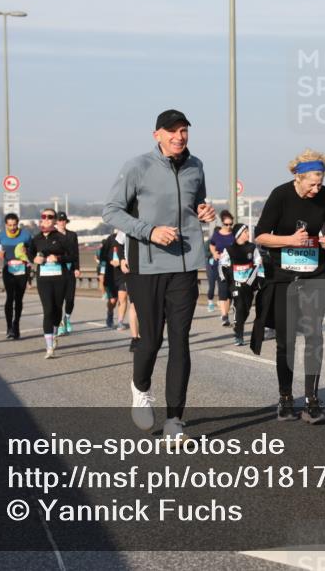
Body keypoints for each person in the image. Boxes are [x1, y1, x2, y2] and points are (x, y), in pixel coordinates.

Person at [103, 108, 215, 443]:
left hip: (184, 265)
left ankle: (175, 419)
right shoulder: (137, 167)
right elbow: (111, 211)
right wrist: (149, 232)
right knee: (150, 340)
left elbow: (198, 203)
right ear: (157, 135)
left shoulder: (196, 166)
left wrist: (204, 211)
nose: (179, 136)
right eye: (171, 131)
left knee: (180, 341)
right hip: (147, 266)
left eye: (184, 130)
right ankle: (140, 388)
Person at [252, 149, 325, 425]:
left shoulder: (324, 195)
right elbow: (261, 236)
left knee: (315, 336)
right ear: (297, 177)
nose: (316, 188)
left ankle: (312, 402)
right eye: (311, 183)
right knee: (286, 340)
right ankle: (285, 398)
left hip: (315, 272)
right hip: (283, 275)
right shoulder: (280, 195)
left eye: (320, 182)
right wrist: (289, 240)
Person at [28, 208, 74, 358]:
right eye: (44, 216)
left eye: (50, 217)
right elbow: (29, 254)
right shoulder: (36, 239)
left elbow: (72, 256)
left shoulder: (62, 238)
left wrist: (58, 258)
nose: (47, 219)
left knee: (56, 309)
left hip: (60, 278)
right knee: (47, 310)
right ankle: (49, 347)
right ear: (41, 219)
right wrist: (34, 259)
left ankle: (54, 333)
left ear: (55, 220)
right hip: (44, 280)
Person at [219, 223, 262, 346]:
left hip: (249, 285)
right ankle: (239, 335)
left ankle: (239, 325)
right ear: (238, 234)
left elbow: (258, 264)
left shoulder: (252, 248)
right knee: (239, 307)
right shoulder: (229, 249)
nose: (248, 234)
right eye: (245, 232)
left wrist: (253, 281)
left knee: (247, 309)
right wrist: (225, 279)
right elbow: (221, 265)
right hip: (235, 284)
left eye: (248, 231)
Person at [0, 212, 32, 340]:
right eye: (9, 225)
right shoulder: (0, 236)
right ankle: (9, 327)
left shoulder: (26, 235)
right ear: (6, 225)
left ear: (18, 223)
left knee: (19, 299)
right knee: (9, 297)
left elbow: (33, 248)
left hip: (22, 271)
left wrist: (27, 250)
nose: (12, 227)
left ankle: (16, 324)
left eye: (14, 224)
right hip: (9, 270)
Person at [55, 211, 81, 336]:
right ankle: (60, 323)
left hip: (70, 270)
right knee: (59, 299)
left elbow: (76, 253)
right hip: (57, 270)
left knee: (70, 299)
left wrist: (77, 268)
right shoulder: (53, 236)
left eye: (64, 220)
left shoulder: (72, 235)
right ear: (56, 222)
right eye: (59, 220)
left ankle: (67, 318)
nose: (62, 222)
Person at [207, 210, 236, 324]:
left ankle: (226, 313)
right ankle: (224, 316)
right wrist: (214, 253)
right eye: (226, 224)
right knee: (222, 289)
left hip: (232, 267)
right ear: (222, 223)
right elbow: (212, 244)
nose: (229, 227)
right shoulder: (217, 234)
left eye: (231, 224)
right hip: (219, 266)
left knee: (229, 292)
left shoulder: (234, 234)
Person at [96, 232, 120, 328]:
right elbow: (101, 256)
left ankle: (120, 321)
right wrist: (110, 261)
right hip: (111, 274)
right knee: (113, 300)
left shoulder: (129, 237)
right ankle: (110, 314)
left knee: (123, 298)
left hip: (124, 274)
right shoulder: (110, 239)